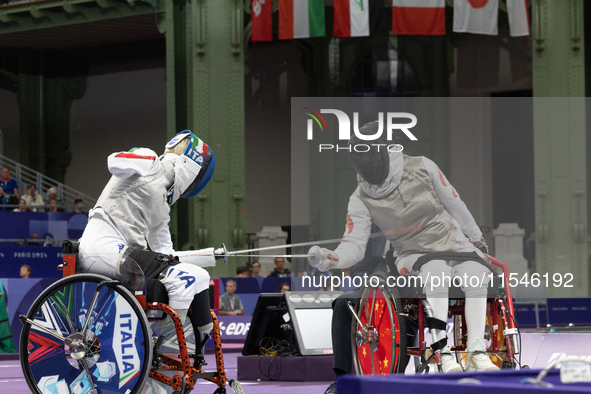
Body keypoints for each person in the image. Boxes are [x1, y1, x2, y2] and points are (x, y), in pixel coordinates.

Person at [309, 122, 497, 392]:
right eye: (359, 156)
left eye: (370, 154)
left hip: (449, 244)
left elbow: (455, 204)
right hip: (409, 257)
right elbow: (353, 244)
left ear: (385, 150)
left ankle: (477, 350)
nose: (365, 161)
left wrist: (477, 239)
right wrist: (333, 259)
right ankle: (438, 351)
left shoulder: (423, 166)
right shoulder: (359, 198)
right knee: (433, 275)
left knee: (476, 274)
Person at [78, 130, 226, 367]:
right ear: (189, 166)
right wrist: (142, 160)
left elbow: (167, 257)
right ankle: (157, 344)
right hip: (101, 247)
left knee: (198, 276)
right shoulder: (150, 161)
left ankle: (197, 349)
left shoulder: (162, 210)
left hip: (126, 258)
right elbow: (114, 161)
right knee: (181, 279)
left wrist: (211, 256)